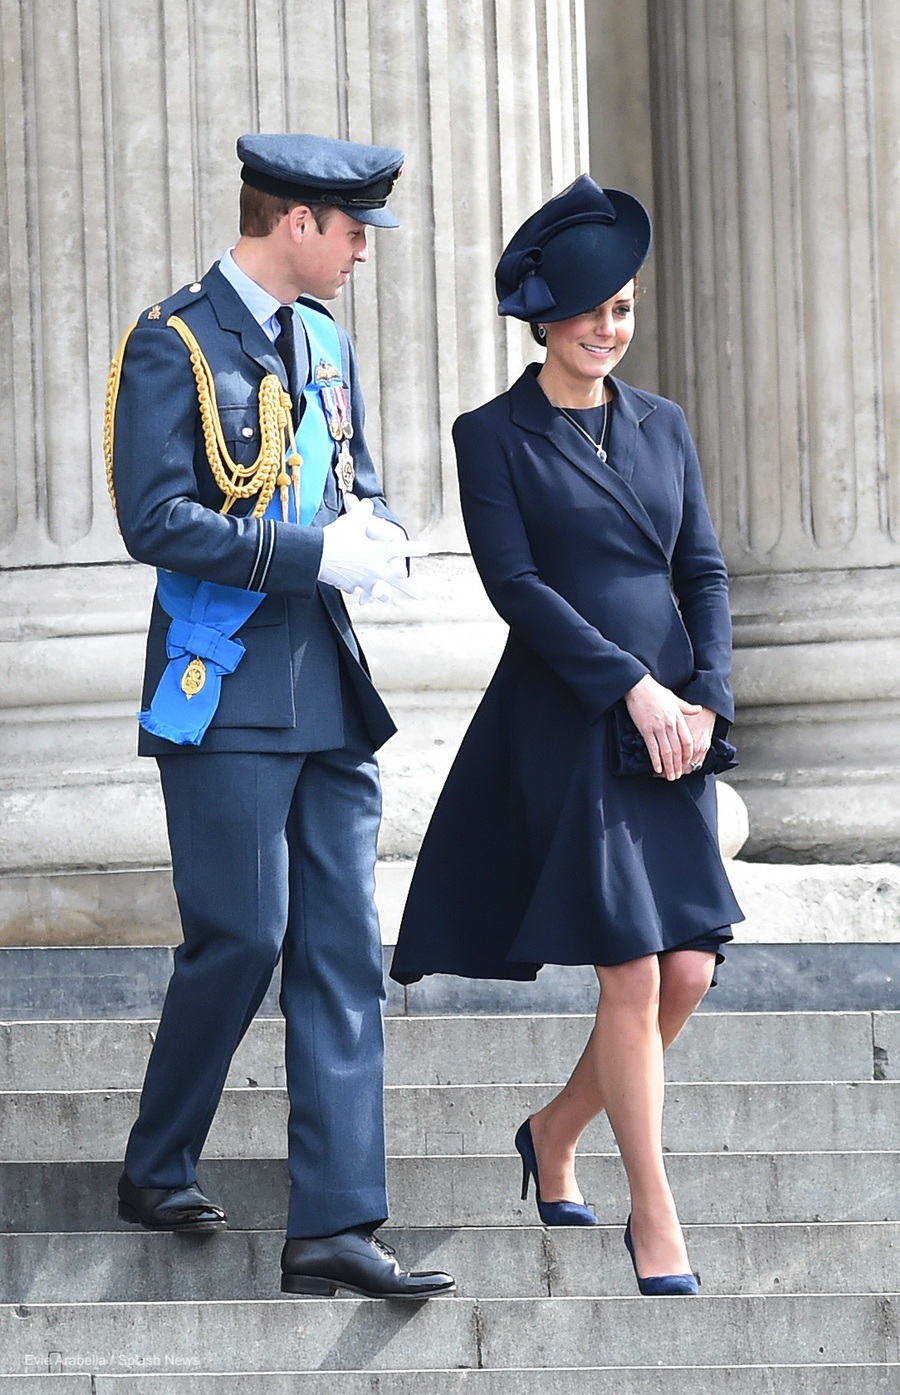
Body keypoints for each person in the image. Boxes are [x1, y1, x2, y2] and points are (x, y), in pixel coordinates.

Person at [105, 133, 454, 1301]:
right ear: (294, 220)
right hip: (229, 687)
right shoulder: (176, 342)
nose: (363, 249)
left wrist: (383, 534)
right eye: (352, 228)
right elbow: (155, 520)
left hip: (329, 688)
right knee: (243, 937)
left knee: (344, 951)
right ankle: (157, 1163)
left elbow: (354, 477)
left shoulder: (323, 342)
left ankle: (336, 1227)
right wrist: (315, 553)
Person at [390, 175, 743, 1295]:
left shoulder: (665, 425)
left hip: (673, 725)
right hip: (570, 718)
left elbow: (704, 571)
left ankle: (551, 1134)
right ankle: (655, 1214)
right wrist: (631, 687)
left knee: (687, 970)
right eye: (590, 309)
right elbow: (519, 589)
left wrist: (707, 696)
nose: (608, 328)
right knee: (632, 971)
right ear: (544, 315)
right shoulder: (490, 434)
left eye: (624, 308)